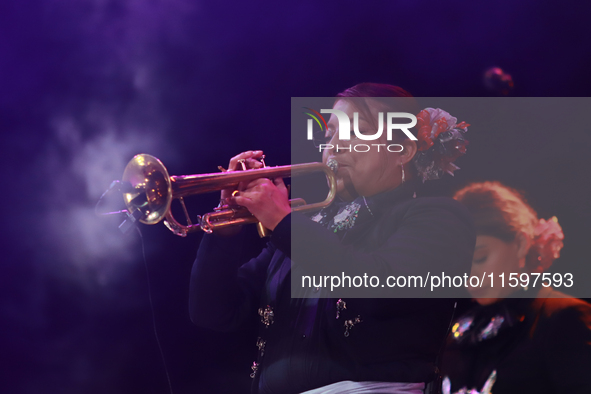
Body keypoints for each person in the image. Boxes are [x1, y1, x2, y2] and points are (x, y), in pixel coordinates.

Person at [189, 83, 476, 394]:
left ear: (402, 151)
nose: (334, 146)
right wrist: (226, 227)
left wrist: (283, 221)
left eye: (355, 133)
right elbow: (214, 311)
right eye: (328, 137)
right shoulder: (308, 227)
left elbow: (380, 290)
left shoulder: (439, 216)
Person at [441, 181, 591, 394]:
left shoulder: (564, 317)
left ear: (520, 244)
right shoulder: (465, 327)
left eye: (480, 258)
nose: (468, 277)